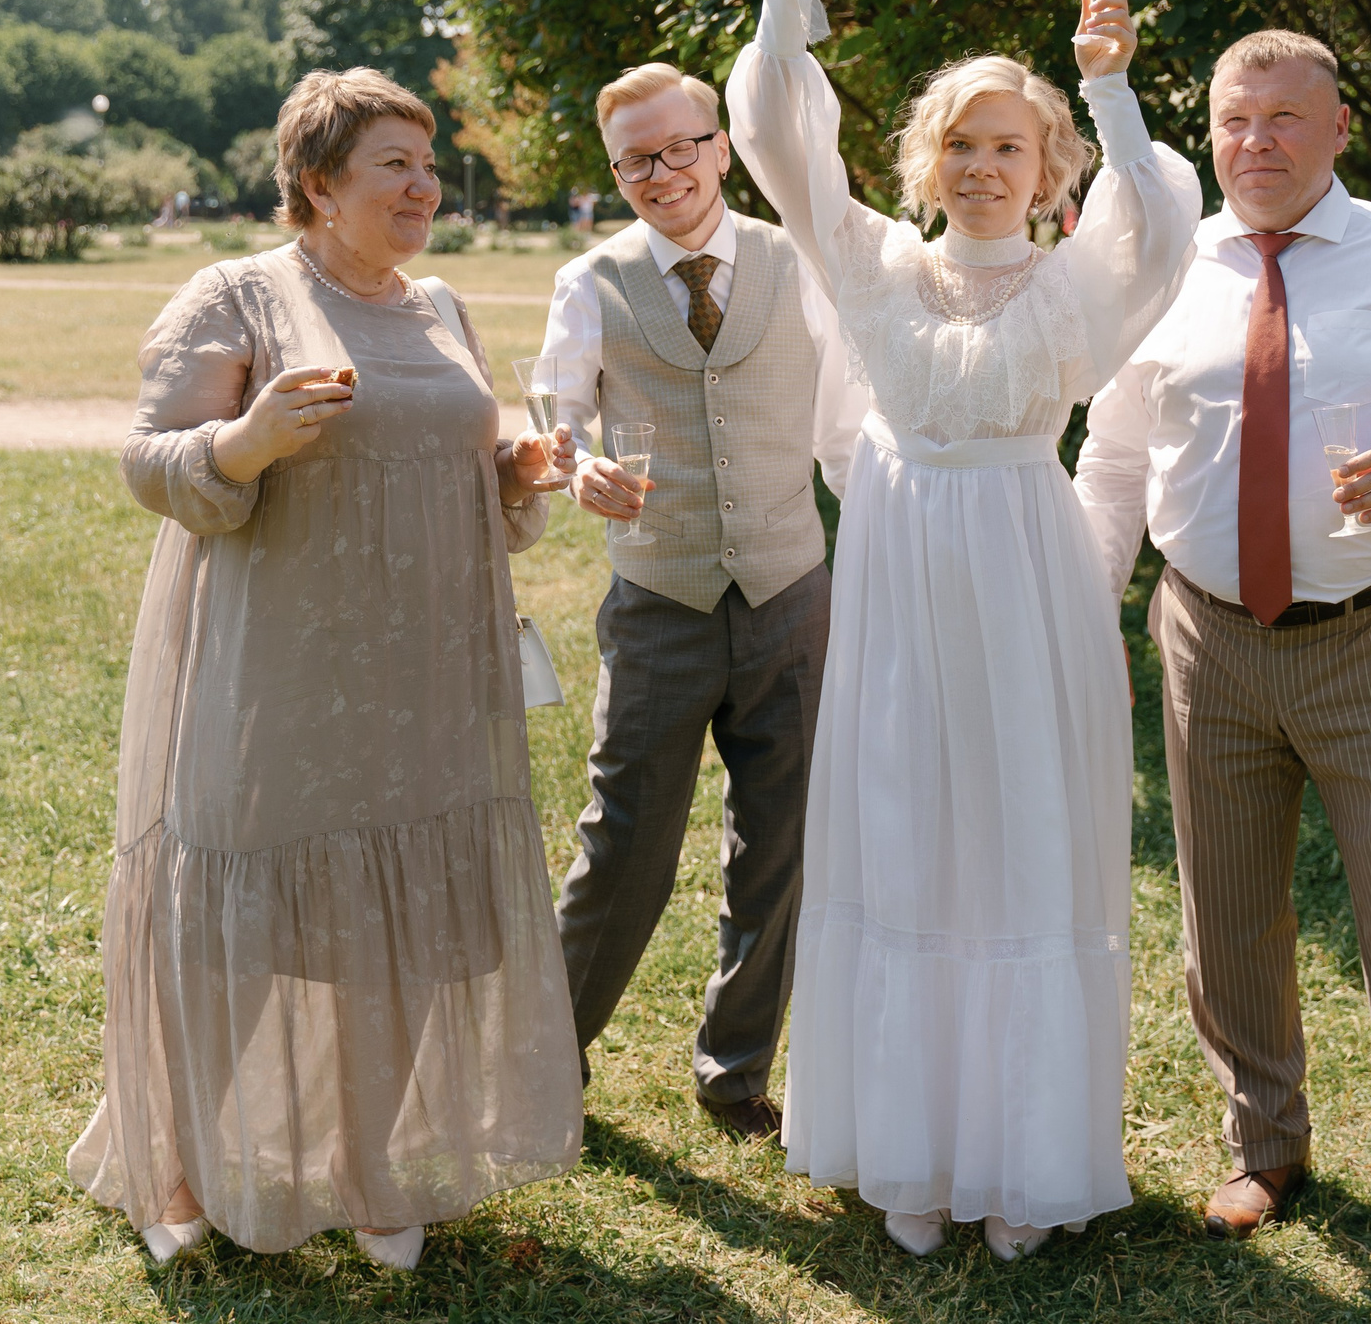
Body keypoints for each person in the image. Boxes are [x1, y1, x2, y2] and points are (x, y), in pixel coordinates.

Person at [731, 0, 1201, 1261]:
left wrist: (1107, 87)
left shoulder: (1079, 278)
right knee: (901, 816)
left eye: (1011, 144)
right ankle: (912, 1152)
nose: (985, 166)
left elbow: (1166, 219)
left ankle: (1019, 1153)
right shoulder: (870, 260)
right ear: (924, 160)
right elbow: (773, 129)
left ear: (1046, 166)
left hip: (1019, 556)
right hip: (896, 564)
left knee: (1018, 828)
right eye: (960, 145)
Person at [68, 68, 582, 1270]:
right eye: (394, 163)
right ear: (317, 183)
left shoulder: (442, 305)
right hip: (281, 663)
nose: (424, 186)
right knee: (243, 912)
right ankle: (178, 1160)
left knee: (412, 914)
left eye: (429, 162)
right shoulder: (241, 294)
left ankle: (371, 1163)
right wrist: (243, 442)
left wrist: (518, 469)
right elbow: (149, 459)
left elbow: (471, 449)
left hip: (432, 662)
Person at [1075, 30, 1371, 1303]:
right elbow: (1115, 457)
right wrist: (1074, 604)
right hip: (1207, 633)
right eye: (1235, 121)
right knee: (1225, 908)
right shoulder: (1160, 271)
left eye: (1285, 119)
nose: (1256, 144)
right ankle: (1263, 1148)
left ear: (1339, 129)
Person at [537, 61, 864, 1139]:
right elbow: (557, 419)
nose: (662, 172)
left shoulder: (795, 262)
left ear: (720, 148)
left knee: (780, 842)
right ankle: (543, 1055)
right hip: (659, 597)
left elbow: (841, 429)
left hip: (789, 595)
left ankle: (734, 1074)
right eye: (636, 158)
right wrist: (575, 465)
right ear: (616, 171)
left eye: (681, 147)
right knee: (622, 839)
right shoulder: (592, 280)